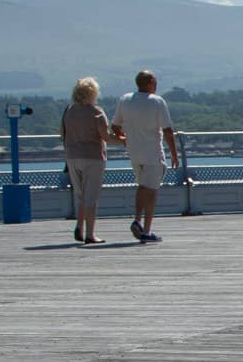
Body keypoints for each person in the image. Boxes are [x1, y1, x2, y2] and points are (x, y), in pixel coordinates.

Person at [111, 69, 178, 243]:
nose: (156, 85)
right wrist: (174, 154)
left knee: (142, 186)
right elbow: (168, 130)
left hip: (134, 152)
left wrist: (124, 139)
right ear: (149, 83)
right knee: (152, 190)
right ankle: (145, 228)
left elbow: (115, 126)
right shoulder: (157, 102)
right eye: (154, 82)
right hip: (153, 152)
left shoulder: (125, 100)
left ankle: (138, 220)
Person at [61, 77, 110, 244]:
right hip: (93, 157)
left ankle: (79, 227)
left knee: (81, 195)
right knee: (91, 197)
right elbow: (105, 136)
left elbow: (62, 133)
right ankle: (90, 234)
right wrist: (125, 138)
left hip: (72, 157)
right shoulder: (96, 112)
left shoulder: (69, 111)